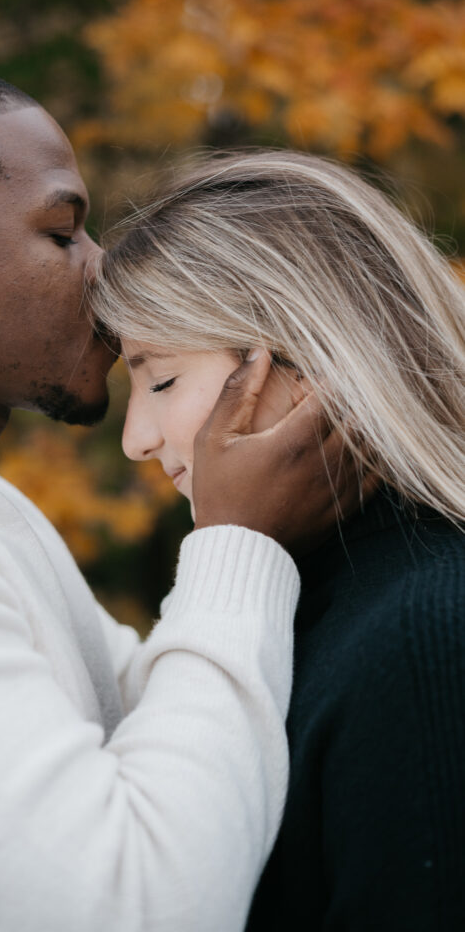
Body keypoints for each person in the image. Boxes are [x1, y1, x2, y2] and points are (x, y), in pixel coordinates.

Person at [0, 63, 361, 932]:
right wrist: (240, 546)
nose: (103, 269)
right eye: (62, 234)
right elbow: (130, 912)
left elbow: (157, 720)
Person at [90, 148, 465, 930]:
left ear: (307, 363)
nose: (135, 438)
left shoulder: (428, 630)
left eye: (159, 380)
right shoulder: (295, 609)